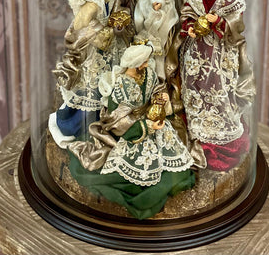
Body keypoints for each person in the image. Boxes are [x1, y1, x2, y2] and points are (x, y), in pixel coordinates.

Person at [67, 44, 196, 219]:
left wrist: (161, 97)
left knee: (172, 154)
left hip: (152, 118)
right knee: (140, 163)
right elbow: (117, 120)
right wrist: (145, 127)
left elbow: (155, 91)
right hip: (134, 128)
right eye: (144, 62)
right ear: (135, 64)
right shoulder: (121, 86)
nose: (147, 64)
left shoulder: (148, 74)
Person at [177, 0, 255, 171]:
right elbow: (187, 11)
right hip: (196, 46)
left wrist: (218, 21)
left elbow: (237, 22)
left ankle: (218, 119)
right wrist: (189, 26)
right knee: (194, 80)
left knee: (217, 83)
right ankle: (196, 119)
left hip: (219, 49)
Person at [49, 0, 129, 147]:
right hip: (94, 51)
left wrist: (119, 20)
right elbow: (79, 25)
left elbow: (115, 9)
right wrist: (102, 31)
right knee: (91, 90)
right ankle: (71, 124)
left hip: (111, 49)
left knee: (107, 87)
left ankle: (103, 123)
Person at [134, 0, 178, 80]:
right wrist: (154, 7)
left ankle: (159, 73)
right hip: (153, 17)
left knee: (159, 48)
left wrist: (161, 2)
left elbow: (167, 0)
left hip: (160, 17)